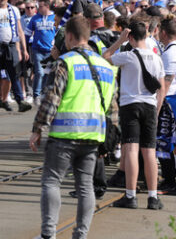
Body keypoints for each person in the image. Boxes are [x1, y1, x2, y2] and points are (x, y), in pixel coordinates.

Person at [30, 15, 117, 239]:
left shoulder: (66, 62)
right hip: (92, 137)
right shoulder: (106, 67)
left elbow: (52, 98)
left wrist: (38, 127)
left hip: (64, 135)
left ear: (69, 37)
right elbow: (111, 106)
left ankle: (48, 234)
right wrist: (111, 139)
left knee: (51, 181)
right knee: (86, 185)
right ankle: (81, 234)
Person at [103, 19, 165, 210]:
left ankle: (130, 195)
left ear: (130, 37)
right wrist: (157, 109)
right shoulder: (156, 58)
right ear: (146, 35)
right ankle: (153, 197)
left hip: (130, 105)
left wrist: (119, 41)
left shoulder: (128, 56)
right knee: (149, 152)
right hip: (150, 106)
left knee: (130, 150)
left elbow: (105, 56)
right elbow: (161, 88)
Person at [0, 0, 32, 112]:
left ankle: (20, 101)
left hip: (10, 46)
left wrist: (24, 49)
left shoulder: (14, 10)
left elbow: (19, 30)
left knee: (14, 75)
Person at [155, 16, 176, 195]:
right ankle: (169, 180)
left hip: (169, 101)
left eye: (160, 31)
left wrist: (158, 106)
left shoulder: (171, 53)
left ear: (164, 32)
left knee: (165, 143)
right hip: (171, 100)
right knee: (165, 143)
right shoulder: (175, 50)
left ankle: (170, 182)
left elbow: (167, 82)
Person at [27, 0, 56, 103]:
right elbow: (27, 33)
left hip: (50, 51)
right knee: (39, 72)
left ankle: (44, 93)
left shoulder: (54, 17)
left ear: (47, 6)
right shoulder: (35, 18)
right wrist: (24, 48)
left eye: (40, 6)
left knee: (47, 73)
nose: (38, 8)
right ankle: (36, 95)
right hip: (37, 50)